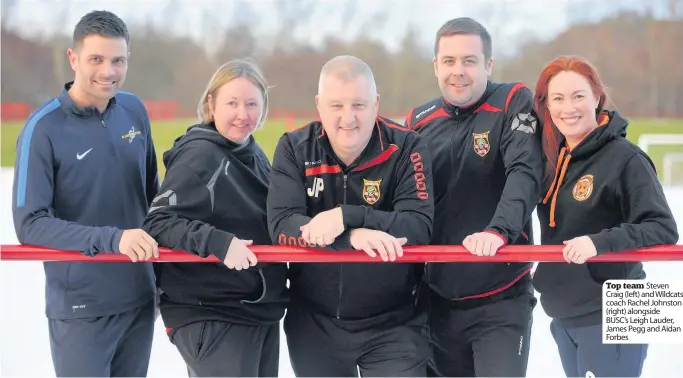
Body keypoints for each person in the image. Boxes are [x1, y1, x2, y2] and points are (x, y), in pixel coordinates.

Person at [11, 10, 160, 377]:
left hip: (140, 298)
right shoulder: (42, 128)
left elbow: (154, 199)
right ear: (73, 58)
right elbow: (31, 224)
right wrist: (114, 239)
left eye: (118, 60)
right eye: (96, 59)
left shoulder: (134, 111)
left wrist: (163, 281)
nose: (108, 71)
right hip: (81, 307)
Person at [267, 55, 435, 377]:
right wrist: (352, 237)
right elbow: (281, 225)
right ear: (319, 105)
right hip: (316, 323)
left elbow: (418, 226)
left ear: (376, 104)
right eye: (336, 106)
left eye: (359, 104)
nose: (348, 118)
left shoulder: (408, 146)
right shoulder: (294, 147)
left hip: (394, 324)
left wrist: (348, 215)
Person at [404, 17, 544, 377]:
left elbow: (524, 173)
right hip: (437, 302)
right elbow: (403, 198)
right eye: (449, 61)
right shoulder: (418, 120)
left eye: (470, 61)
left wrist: (498, 231)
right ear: (436, 66)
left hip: (501, 298)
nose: (459, 71)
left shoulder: (514, 100)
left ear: (489, 64)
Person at [531, 55, 679, 377]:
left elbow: (663, 228)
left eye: (578, 96)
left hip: (619, 306)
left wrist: (597, 243)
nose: (568, 107)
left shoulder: (626, 158)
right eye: (558, 98)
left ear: (597, 98)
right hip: (565, 310)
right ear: (547, 106)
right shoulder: (552, 160)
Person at [141, 59, 289, 377]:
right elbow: (158, 222)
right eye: (232, 103)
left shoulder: (251, 151)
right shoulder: (201, 155)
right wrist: (219, 243)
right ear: (211, 103)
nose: (242, 114)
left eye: (252, 104)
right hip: (213, 311)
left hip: (256, 308)